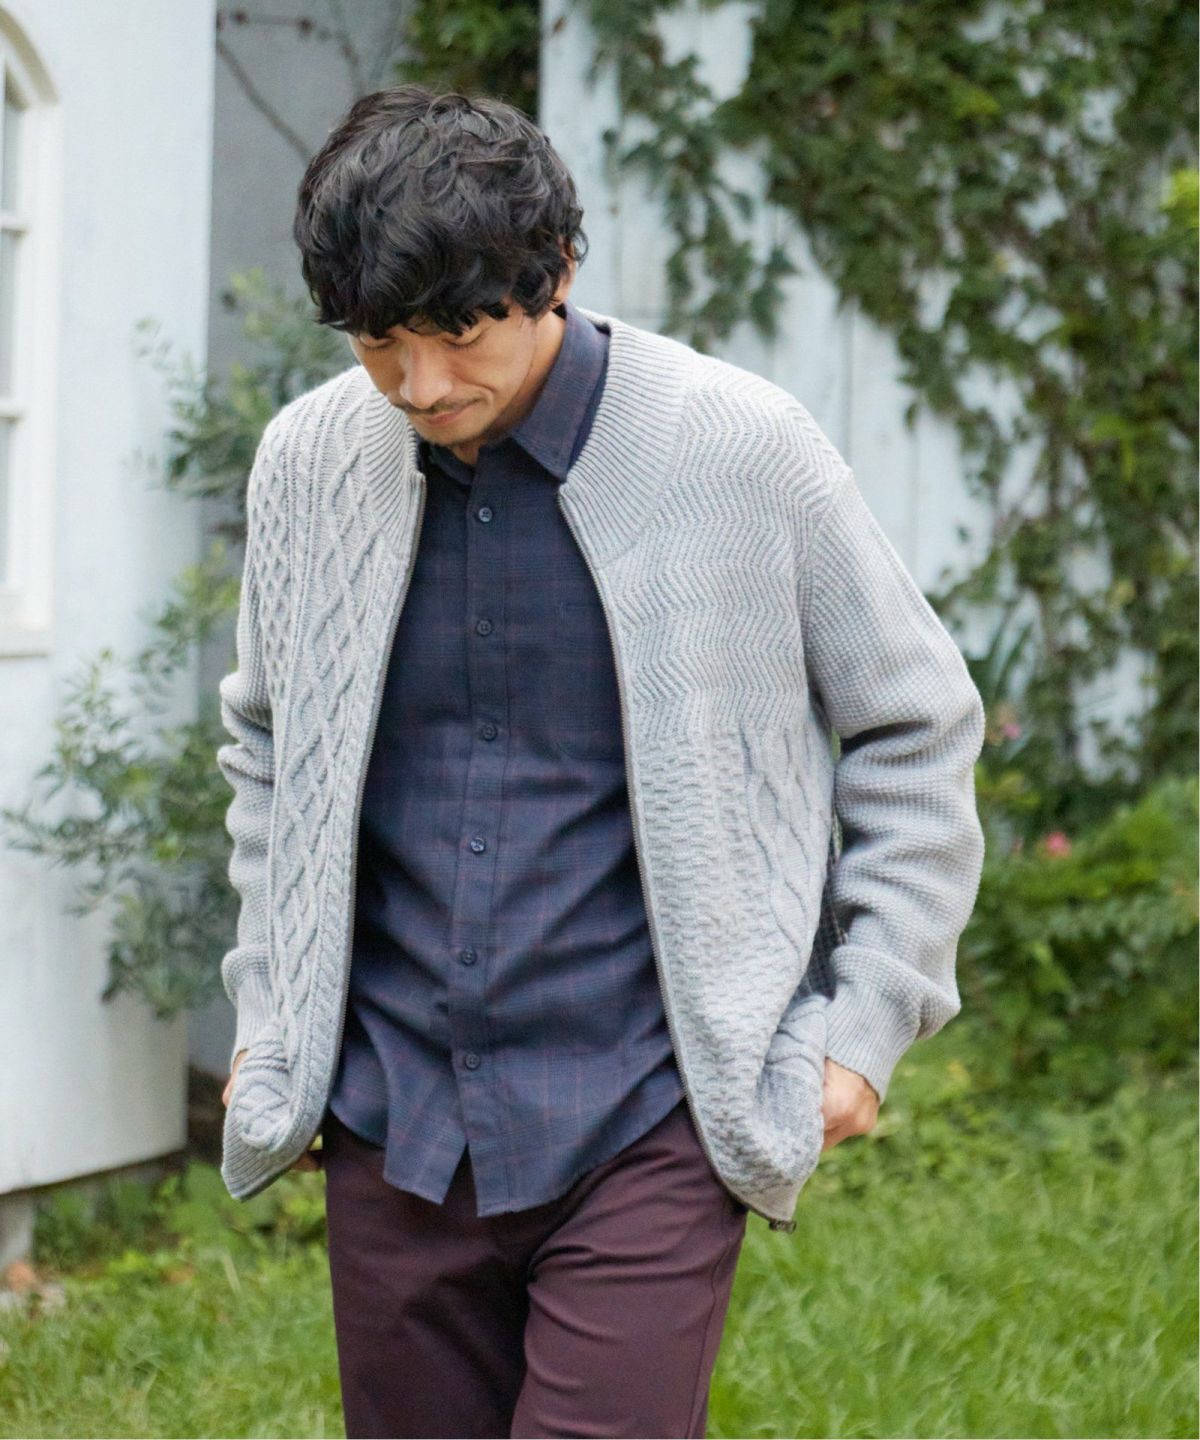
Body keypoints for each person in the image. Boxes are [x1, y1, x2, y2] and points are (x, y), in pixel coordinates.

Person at [217, 84, 986, 1439]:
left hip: (648, 1116)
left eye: (461, 332)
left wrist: (868, 1024)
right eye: (381, 343)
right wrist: (273, 1009)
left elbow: (914, 721)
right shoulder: (307, 465)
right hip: (392, 1124)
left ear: (557, 272)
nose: (423, 385)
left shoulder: (743, 450)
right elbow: (272, 744)